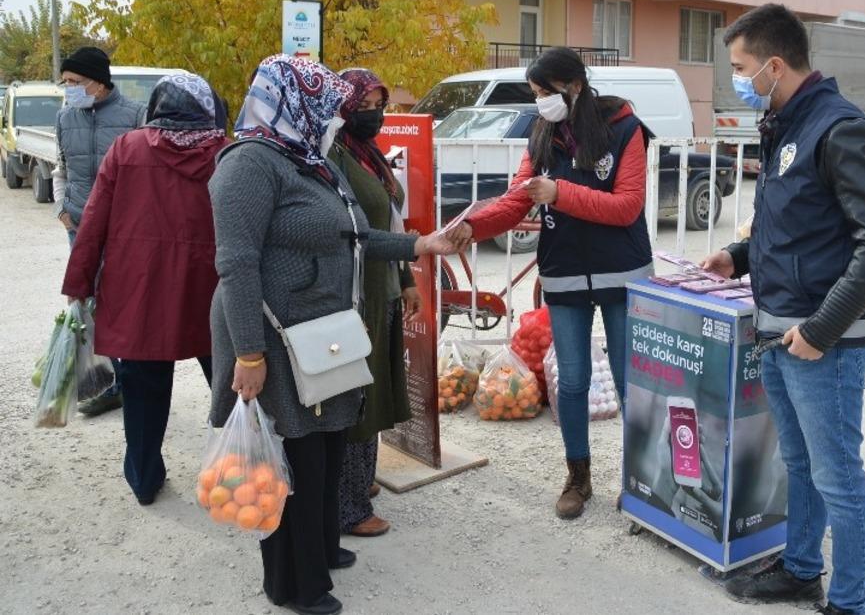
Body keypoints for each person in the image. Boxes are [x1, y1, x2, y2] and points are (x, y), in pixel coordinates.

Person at [208, 55, 456, 615]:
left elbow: (357, 236)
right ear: (292, 103)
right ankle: (295, 585)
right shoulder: (249, 163)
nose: (338, 120)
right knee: (291, 457)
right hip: (273, 339)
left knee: (321, 447)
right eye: (326, 108)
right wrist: (248, 352)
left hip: (323, 333)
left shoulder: (310, 161)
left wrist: (421, 246)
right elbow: (237, 265)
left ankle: (321, 551)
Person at [700, 4, 865, 615]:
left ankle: (848, 602)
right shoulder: (785, 123)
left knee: (837, 477)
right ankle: (801, 569)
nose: (736, 78)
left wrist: (821, 329)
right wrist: (739, 255)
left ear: (774, 65)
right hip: (782, 330)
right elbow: (797, 228)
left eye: (740, 67)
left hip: (823, 340)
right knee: (801, 463)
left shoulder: (839, 128)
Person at [446, 47, 653, 520]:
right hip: (564, 274)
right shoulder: (542, 134)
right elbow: (517, 199)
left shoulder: (625, 129)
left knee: (630, 383)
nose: (541, 102)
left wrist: (560, 193)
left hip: (622, 273)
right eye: (536, 94)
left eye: (545, 92)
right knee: (573, 380)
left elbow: (627, 206)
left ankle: (641, 479)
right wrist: (473, 226)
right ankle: (578, 477)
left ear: (574, 85)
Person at [61, 73, 228, 505]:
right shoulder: (225, 153)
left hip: (139, 290)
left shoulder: (128, 148)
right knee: (230, 388)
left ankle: (144, 479)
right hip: (209, 289)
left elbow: (93, 220)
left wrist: (78, 282)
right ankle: (241, 470)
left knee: (141, 395)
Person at [328, 68, 422, 537]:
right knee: (359, 397)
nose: (374, 115)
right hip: (356, 293)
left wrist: (407, 280)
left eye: (380, 105)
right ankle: (347, 507)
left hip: (383, 286)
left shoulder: (369, 156)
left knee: (380, 387)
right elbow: (355, 232)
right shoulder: (333, 156)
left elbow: (392, 222)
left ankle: (359, 483)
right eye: (363, 106)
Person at [54, 46, 147, 417]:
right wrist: (62, 210)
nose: (69, 89)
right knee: (85, 303)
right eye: (65, 83)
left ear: (99, 82)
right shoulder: (64, 118)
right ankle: (107, 380)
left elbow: (145, 177)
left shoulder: (135, 115)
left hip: (121, 231)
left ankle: (127, 381)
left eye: (75, 82)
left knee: (121, 304)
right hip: (78, 225)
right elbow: (60, 167)